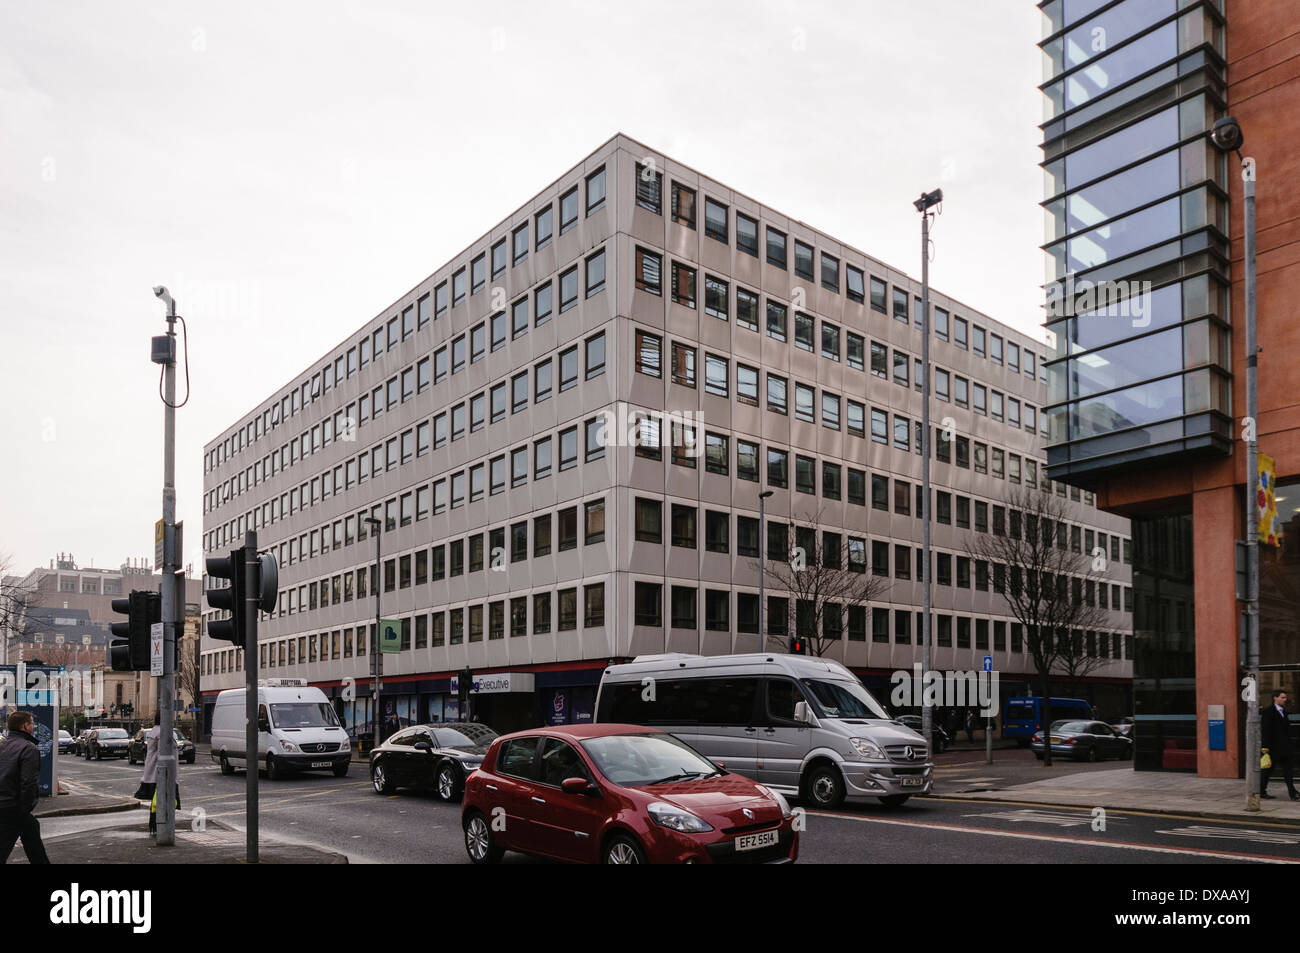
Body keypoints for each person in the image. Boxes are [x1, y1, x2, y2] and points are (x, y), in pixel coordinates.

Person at [0, 711, 51, 864]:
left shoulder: (2, 745)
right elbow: (28, 782)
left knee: (32, 830)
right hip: (12, 807)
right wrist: (25, 807)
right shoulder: (28, 748)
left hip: (6, 803)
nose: (33, 726)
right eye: (31, 723)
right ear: (24, 726)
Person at [1261, 689, 1297, 800]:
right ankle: (1262, 792)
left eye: (1285, 697)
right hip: (1273, 748)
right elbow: (1266, 730)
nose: (1285, 699)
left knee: (1288, 772)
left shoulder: (1284, 712)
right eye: (1282, 697)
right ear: (1275, 698)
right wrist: (1265, 747)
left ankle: (1292, 793)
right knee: (1267, 771)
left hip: (1285, 748)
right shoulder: (1268, 712)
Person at [133, 714, 162, 802]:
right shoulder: (160, 732)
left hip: (151, 763)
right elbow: (162, 752)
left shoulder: (153, 731)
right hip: (156, 767)